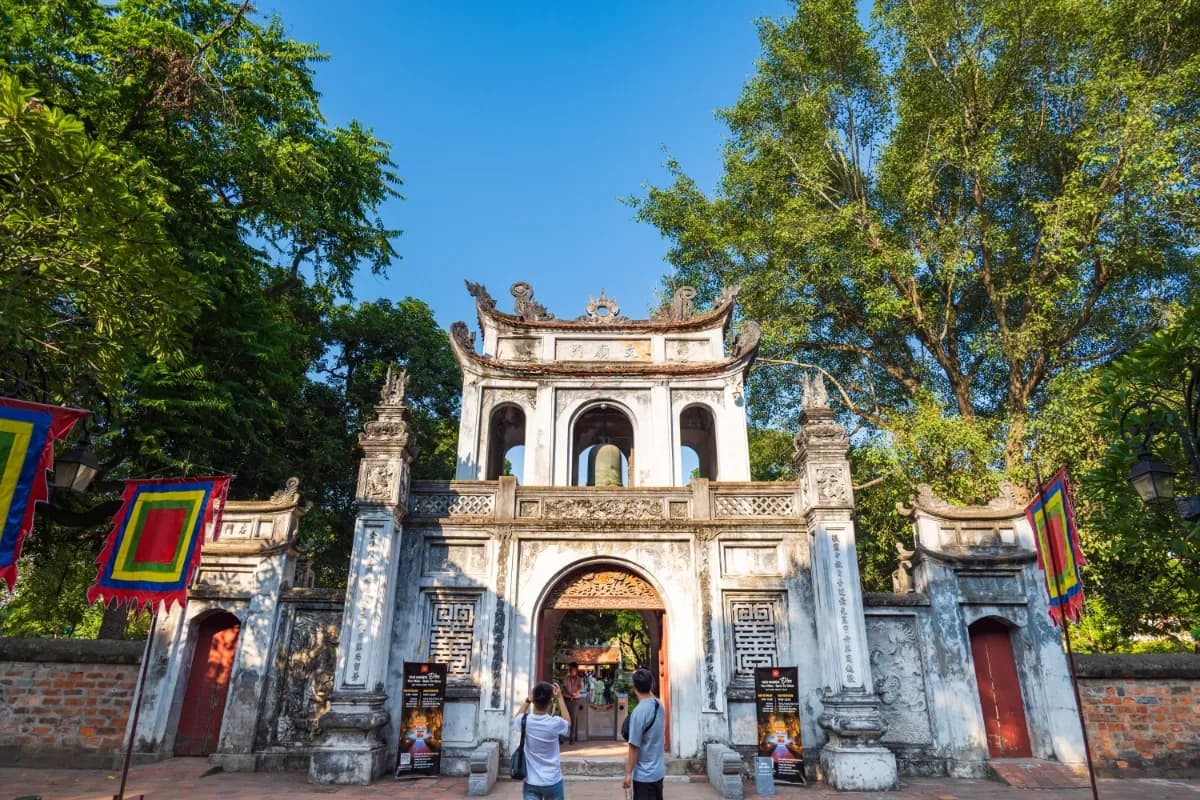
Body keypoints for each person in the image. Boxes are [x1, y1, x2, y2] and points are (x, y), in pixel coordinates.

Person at [514, 681, 571, 800]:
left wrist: (527, 701)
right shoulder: (554, 723)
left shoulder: (525, 721)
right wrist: (560, 698)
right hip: (552, 780)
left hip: (531, 781)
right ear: (551, 702)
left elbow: (516, 719)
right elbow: (568, 722)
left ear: (533, 700)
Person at [622, 668, 665, 800]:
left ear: (634, 687)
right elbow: (651, 695)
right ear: (650, 685)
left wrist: (628, 773)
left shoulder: (638, 713)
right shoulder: (659, 705)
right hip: (659, 773)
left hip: (644, 777)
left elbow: (634, 747)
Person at [562, 663, 585, 744]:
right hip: (567, 699)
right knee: (564, 718)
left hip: (575, 700)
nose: (572, 671)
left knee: (573, 718)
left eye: (573, 670)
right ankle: (562, 737)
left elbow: (580, 687)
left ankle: (572, 738)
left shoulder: (579, 679)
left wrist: (576, 692)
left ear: (576, 670)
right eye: (571, 669)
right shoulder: (566, 678)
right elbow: (564, 686)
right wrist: (570, 693)